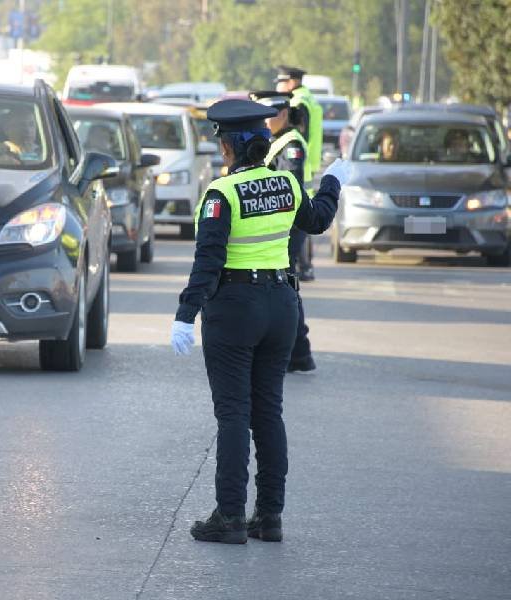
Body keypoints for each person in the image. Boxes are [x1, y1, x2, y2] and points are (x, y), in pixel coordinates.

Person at [169, 99, 350, 544]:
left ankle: (230, 516)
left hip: (235, 308)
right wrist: (332, 183)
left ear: (227, 148)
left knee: (233, 413)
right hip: (282, 305)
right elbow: (319, 220)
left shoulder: (222, 194)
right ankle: (269, 517)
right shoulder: (287, 183)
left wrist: (185, 314)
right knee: (268, 412)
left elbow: (208, 262)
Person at [251, 90, 316, 372]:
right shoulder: (276, 140)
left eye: (268, 116)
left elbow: (288, 186)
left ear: (284, 114)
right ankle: (298, 353)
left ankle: (297, 353)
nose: (264, 122)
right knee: (285, 287)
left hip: (290, 226)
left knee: (285, 289)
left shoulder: (291, 145)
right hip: (282, 226)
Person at [275, 65, 321, 282]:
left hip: (297, 164)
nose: (279, 87)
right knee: (303, 221)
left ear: (292, 82)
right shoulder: (309, 99)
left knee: (298, 223)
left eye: (281, 82)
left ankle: (304, 266)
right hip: (307, 164)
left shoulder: (297, 102)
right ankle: (305, 266)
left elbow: (299, 134)